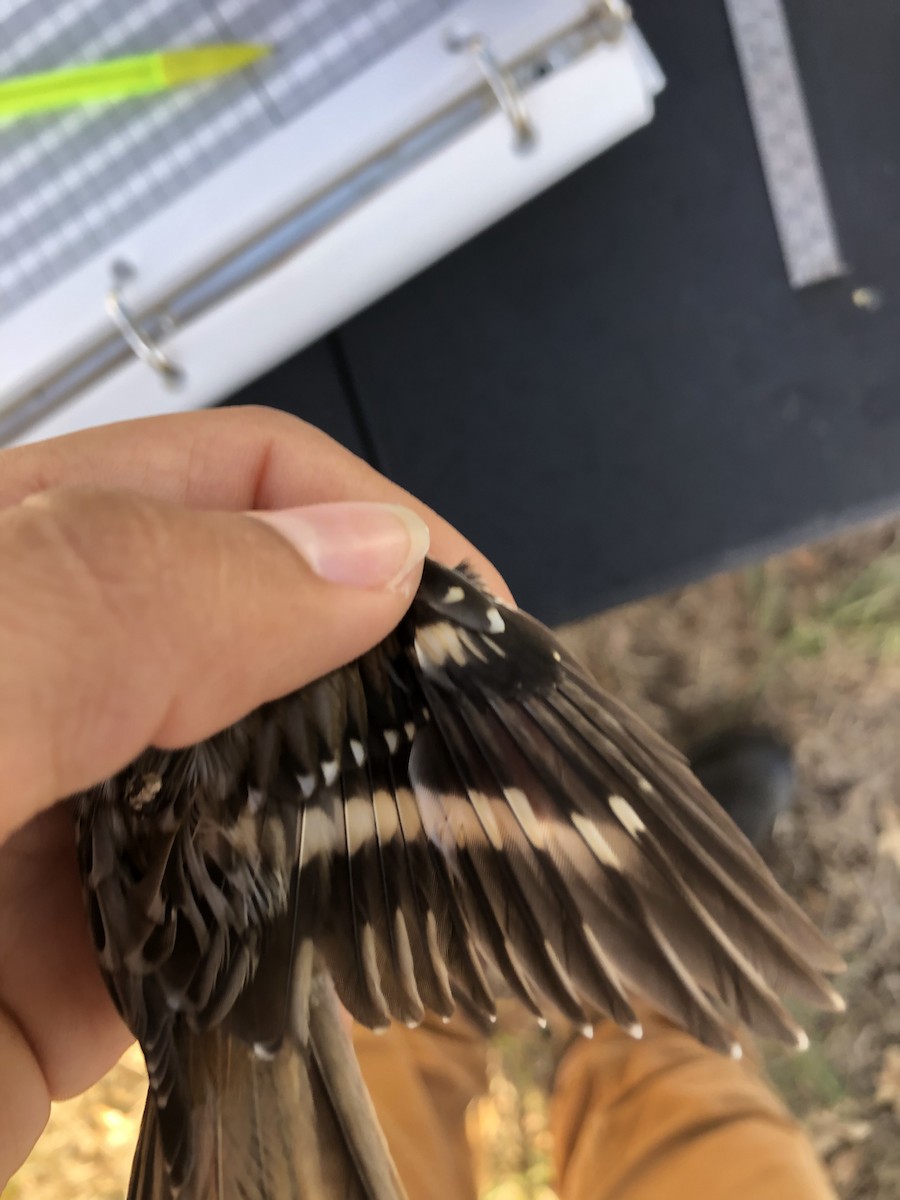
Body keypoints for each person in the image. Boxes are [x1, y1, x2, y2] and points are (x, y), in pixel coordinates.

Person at [0, 406, 836, 1198]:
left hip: (209, 985)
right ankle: (640, 996)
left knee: (390, 1049)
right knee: (712, 1139)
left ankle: (566, 969)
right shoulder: (377, 638)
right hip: (201, 969)